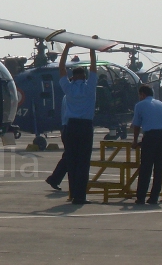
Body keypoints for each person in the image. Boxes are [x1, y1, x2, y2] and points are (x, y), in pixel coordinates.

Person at [58, 42, 97, 205]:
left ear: (73, 76)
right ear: (85, 76)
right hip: (85, 126)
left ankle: (73, 193)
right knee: (83, 162)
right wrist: (92, 48)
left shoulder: (68, 88)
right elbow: (94, 67)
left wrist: (66, 48)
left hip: (71, 126)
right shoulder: (90, 88)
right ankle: (80, 196)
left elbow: (61, 68)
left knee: (72, 161)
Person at [131, 85, 162, 204]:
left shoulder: (140, 105)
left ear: (142, 94)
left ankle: (141, 196)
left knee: (146, 167)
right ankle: (154, 197)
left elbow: (136, 126)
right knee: (158, 167)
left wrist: (135, 141)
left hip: (151, 136)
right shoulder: (160, 104)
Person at [45, 96, 68, 191]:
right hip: (70, 126)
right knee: (71, 157)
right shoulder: (70, 96)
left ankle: (54, 179)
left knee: (69, 156)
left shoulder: (67, 96)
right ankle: (54, 179)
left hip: (67, 127)